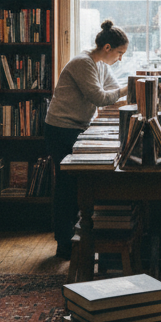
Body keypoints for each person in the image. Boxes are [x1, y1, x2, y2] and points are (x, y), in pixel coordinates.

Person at [44, 20, 128, 259]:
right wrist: (126, 90)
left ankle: (75, 239)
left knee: (75, 184)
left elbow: (113, 90)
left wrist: (128, 92)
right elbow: (100, 97)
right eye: (120, 53)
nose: (120, 59)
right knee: (67, 186)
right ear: (108, 48)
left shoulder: (100, 65)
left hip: (77, 127)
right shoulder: (84, 63)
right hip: (62, 129)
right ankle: (64, 244)